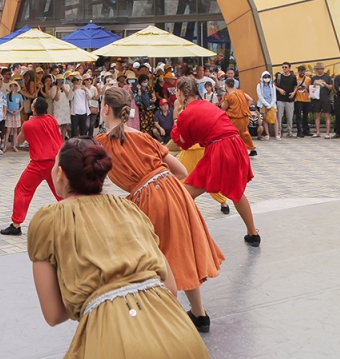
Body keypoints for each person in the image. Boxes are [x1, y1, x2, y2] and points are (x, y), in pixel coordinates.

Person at [27, 138, 208, 358]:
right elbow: (170, 287)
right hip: (179, 333)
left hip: (113, 340)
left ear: (60, 173)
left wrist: (91, 292)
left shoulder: (48, 219)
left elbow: (53, 314)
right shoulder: (129, 208)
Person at [94, 87, 223, 333]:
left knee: (155, 259)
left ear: (106, 109)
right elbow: (181, 172)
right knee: (181, 252)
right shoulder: (144, 137)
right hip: (174, 192)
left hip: (146, 198)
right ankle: (200, 315)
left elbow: (96, 182)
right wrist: (160, 184)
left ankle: (164, 320)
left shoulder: (102, 145)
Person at [172, 77, 259, 246]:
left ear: (180, 93)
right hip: (235, 145)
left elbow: (184, 142)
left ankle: (187, 236)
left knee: (185, 193)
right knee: (236, 192)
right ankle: (252, 233)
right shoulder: (208, 105)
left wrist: (176, 126)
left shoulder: (186, 114)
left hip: (219, 150)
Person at [1, 97, 64, 236]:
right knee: (62, 193)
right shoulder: (52, 119)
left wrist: (27, 124)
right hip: (55, 162)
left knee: (22, 190)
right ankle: (77, 217)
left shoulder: (29, 124)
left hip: (38, 163)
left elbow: (20, 140)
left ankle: (16, 224)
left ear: (33, 109)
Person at [220, 78, 254, 155]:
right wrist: (245, 108)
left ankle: (236, 150)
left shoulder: (229, 96)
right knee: (244, 133)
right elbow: (250, 99)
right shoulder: (240, 92)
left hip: (235, 119)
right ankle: (250, 148)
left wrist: (223, 98)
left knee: (232, 135)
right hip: (245, 117)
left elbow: (223, 108)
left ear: (225, 85)